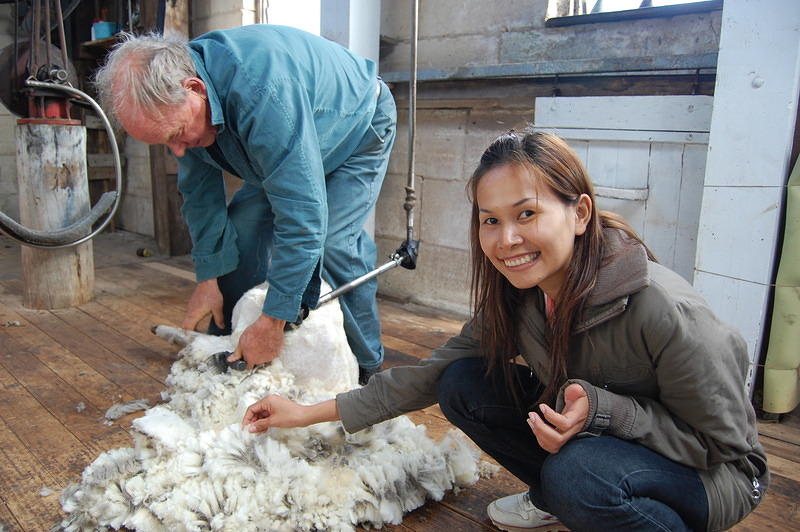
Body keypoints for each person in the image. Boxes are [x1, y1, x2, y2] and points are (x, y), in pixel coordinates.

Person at [242, 130, 769, 531]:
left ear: (580, 212)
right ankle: (559, 494)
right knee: (462, 383)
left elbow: (724, 446)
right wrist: (309, 413)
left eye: (526, 213)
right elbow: (431, 374)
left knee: (579, 476)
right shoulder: (522, 296)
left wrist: (607, 413)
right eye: (490, 220)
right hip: (608, 442)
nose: (507, 238)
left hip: (714, 474)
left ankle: (590, 499)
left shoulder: (666, 313)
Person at [94, 25, 397, 384]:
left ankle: (368, 367)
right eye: (165, 143)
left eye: (176, 136)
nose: (177, 151)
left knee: (332, 243)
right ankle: (233, 342)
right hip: (291, 133)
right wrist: (209, 278)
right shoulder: (179, 95)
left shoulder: (261, 91)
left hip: (357, 128)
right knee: (243, 228)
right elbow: (199, 196)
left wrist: (274, 319)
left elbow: (302, 217)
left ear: (195, 90)